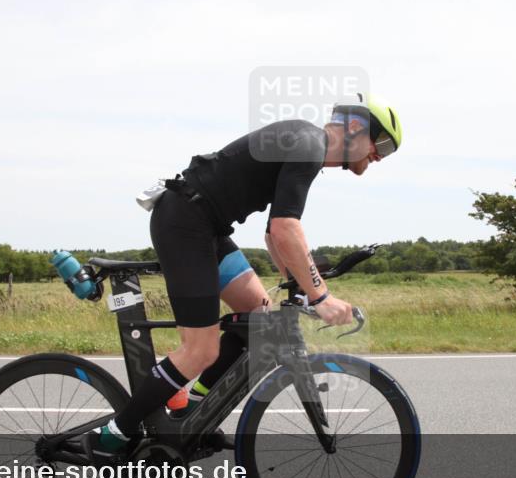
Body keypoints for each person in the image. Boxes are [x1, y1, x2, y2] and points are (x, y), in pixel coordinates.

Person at [85, 93, 402, 459]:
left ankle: (192, 410)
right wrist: (321, 297)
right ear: (356, 128)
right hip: (186, 223)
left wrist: (298, 287)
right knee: (200, 349)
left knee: (259, 316)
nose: (380, 155)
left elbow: (274, 235)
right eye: (382, 144)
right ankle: (111, 437)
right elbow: (286, 229)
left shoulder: (308, 146)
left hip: (207, 225)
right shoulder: (310, 144)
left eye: (388, 151)